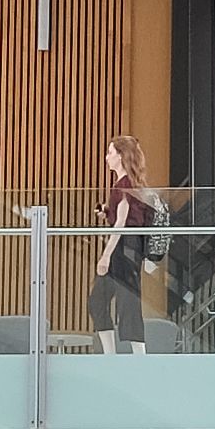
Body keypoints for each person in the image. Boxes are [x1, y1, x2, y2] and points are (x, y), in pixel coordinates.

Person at [90, 135, 159, 353]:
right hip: (128, 246)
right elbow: (124, 216)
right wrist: (107, 211)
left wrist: (105, 256)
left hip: (124, 247)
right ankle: (115, 355)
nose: (106, 157)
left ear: (121, 156)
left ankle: (136, 356)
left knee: (125, 302)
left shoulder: (125, 184)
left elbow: (121, 223)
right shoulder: (126, 183)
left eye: (110, 152)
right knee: (102, 301)